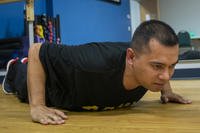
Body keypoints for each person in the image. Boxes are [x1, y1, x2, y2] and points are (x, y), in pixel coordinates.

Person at [2, 20, 192, 125]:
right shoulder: (90, 62)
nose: (166, 75)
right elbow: (37, 49)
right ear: (131, 58)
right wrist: (37, 106)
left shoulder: (150, 61)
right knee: (22, 73)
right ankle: (15, 67)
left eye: (172, 66)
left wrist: (166, 91)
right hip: (43, 86)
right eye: (158, 67)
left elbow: (165, 61)